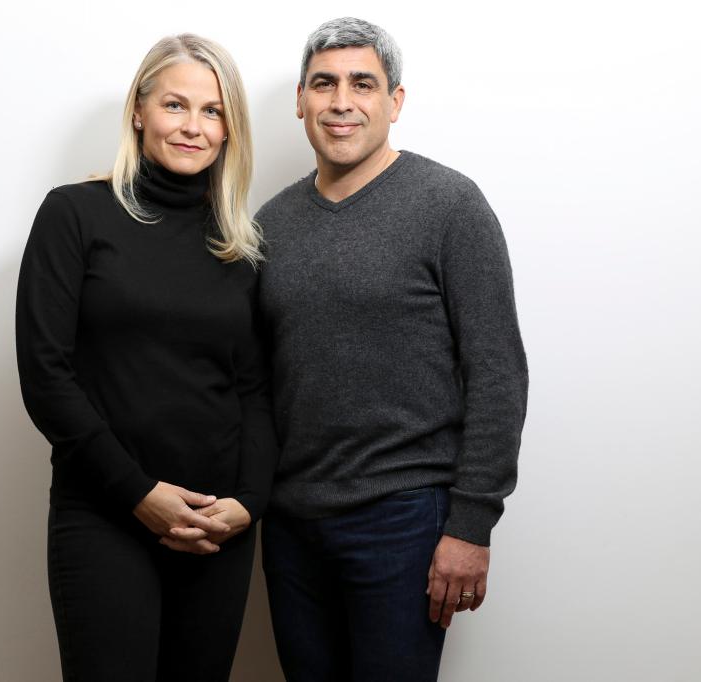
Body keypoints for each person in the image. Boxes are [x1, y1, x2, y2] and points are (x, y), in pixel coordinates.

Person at [255, 17, 529, 681]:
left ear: (394, 102)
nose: (341, 101)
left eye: (362, 84)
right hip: (291, 525)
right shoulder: (269, 225)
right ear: (300, 100)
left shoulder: (449, 205)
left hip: (404, 521)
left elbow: (496, 372)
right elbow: (258, 379)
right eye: (324, 83)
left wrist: (471, 524)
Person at [15, 33, 278, 682]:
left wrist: (248, 502)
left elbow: (255, 391)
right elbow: (47, 376)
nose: (193, 126)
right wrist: (139, 494)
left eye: (212, 111)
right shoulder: (74, 214)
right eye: (175, 105)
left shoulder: (239, 247)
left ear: (229, 130)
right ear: (139, 110)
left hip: (219, 527)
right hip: (105, 513)